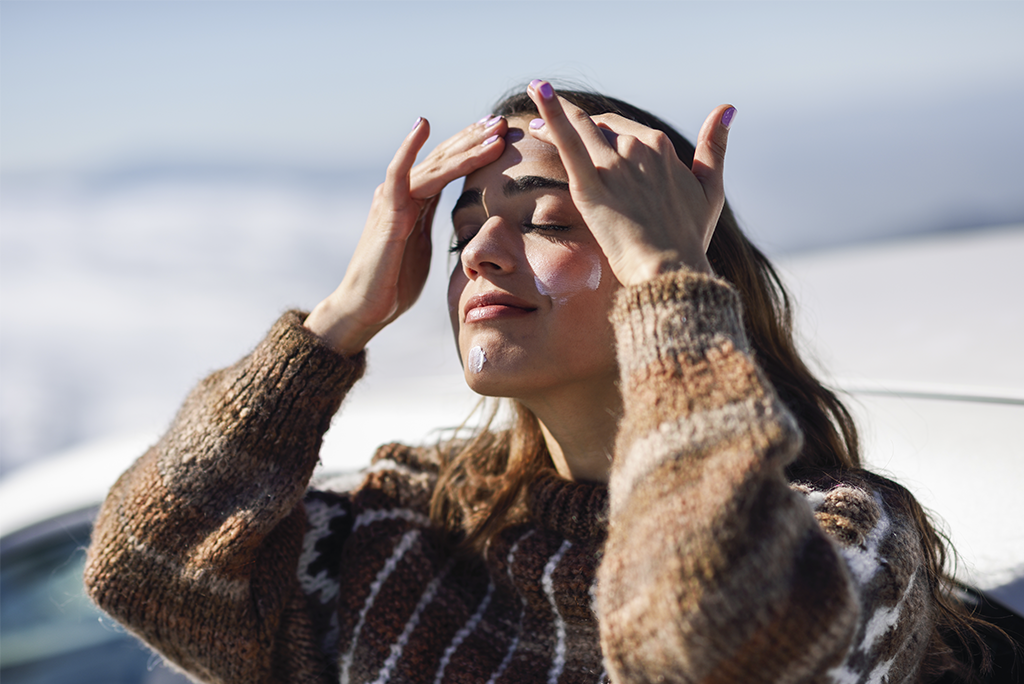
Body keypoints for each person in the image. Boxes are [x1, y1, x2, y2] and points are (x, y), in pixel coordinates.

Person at [84, 80, 989, 683]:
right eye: (460, 229)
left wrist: (670, 287)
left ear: (664, 269)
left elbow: (708, 644)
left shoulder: (842, 542)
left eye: (550, 220)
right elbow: (143, 568)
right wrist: (337, 322)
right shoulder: (406, 529)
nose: (478, 251)